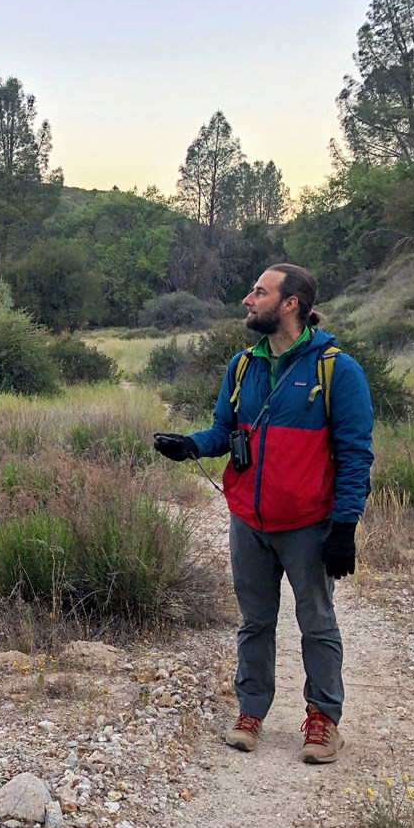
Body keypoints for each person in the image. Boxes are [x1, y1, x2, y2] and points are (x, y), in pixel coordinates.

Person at [152, 264, 373, 764]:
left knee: (316, 622)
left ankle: (323, 720)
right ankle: (251, 711)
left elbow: (356, 453)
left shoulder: (337, 370)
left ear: (290, 303)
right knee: (254, 622)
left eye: (259, 292)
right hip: (248, 520)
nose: (248, 300)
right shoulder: (243, 365)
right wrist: (191, 445)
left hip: (309, 525)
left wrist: (345, 526)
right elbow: (224, 430)